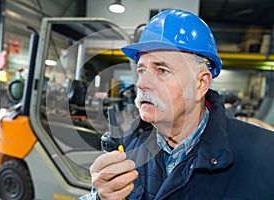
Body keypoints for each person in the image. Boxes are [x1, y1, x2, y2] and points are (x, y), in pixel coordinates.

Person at [79, 9, 274, 200]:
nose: (142, 84)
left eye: (162, 70)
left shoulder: (266, 155)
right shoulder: (129, 145)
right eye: (141, 71)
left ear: (201, 83)